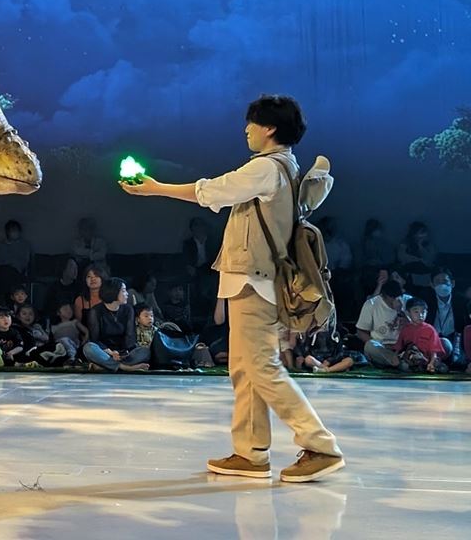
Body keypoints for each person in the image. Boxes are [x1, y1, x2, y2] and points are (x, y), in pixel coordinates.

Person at [120, 94, 344, 483]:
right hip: (249, 280)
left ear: (269, 128)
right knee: (245, 368)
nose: (246, 130)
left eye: (251, 123)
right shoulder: (282, 167)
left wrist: (156, 187)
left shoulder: (267, 168)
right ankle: (251, 452)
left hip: (256, 282)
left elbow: (214, 191)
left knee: (262, 366)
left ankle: (320, 446)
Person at [82, 278, 150, 373]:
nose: (127, 294)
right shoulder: (96, 311)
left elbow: (130, 337)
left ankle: (105, 366)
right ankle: (124, 367)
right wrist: (110, 352)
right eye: (123, 291)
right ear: (114, 292)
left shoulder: (128, 309)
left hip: (123, 353)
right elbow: (95, 339)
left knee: (145, 351)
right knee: (89, 348)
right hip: (105, 352)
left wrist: (123, 353)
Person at [356, 279, 406, 368]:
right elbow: (361, 332)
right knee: (370, 346)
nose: (394, 300)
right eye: (392, 297)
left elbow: (416, 325)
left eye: (397, 297)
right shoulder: (371, 304)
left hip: (401, 346)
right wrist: (380, 345)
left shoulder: (407, 301)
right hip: (381, 346)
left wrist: (401, 312)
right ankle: (398, 362)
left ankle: (397, 361)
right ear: (384, 296)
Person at [394, 297, 448, 373]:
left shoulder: (430, 329)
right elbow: (399, 347)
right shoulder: (405, 329)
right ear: (408, 313)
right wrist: (395, 358)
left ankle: (426, 367)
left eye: (423, 312)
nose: (420, 315)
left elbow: (434, 351)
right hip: (412, 359)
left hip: (427, 359)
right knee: (403, 366)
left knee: (442, 369)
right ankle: (417, 368)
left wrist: (431, 363)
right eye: (416, 312)